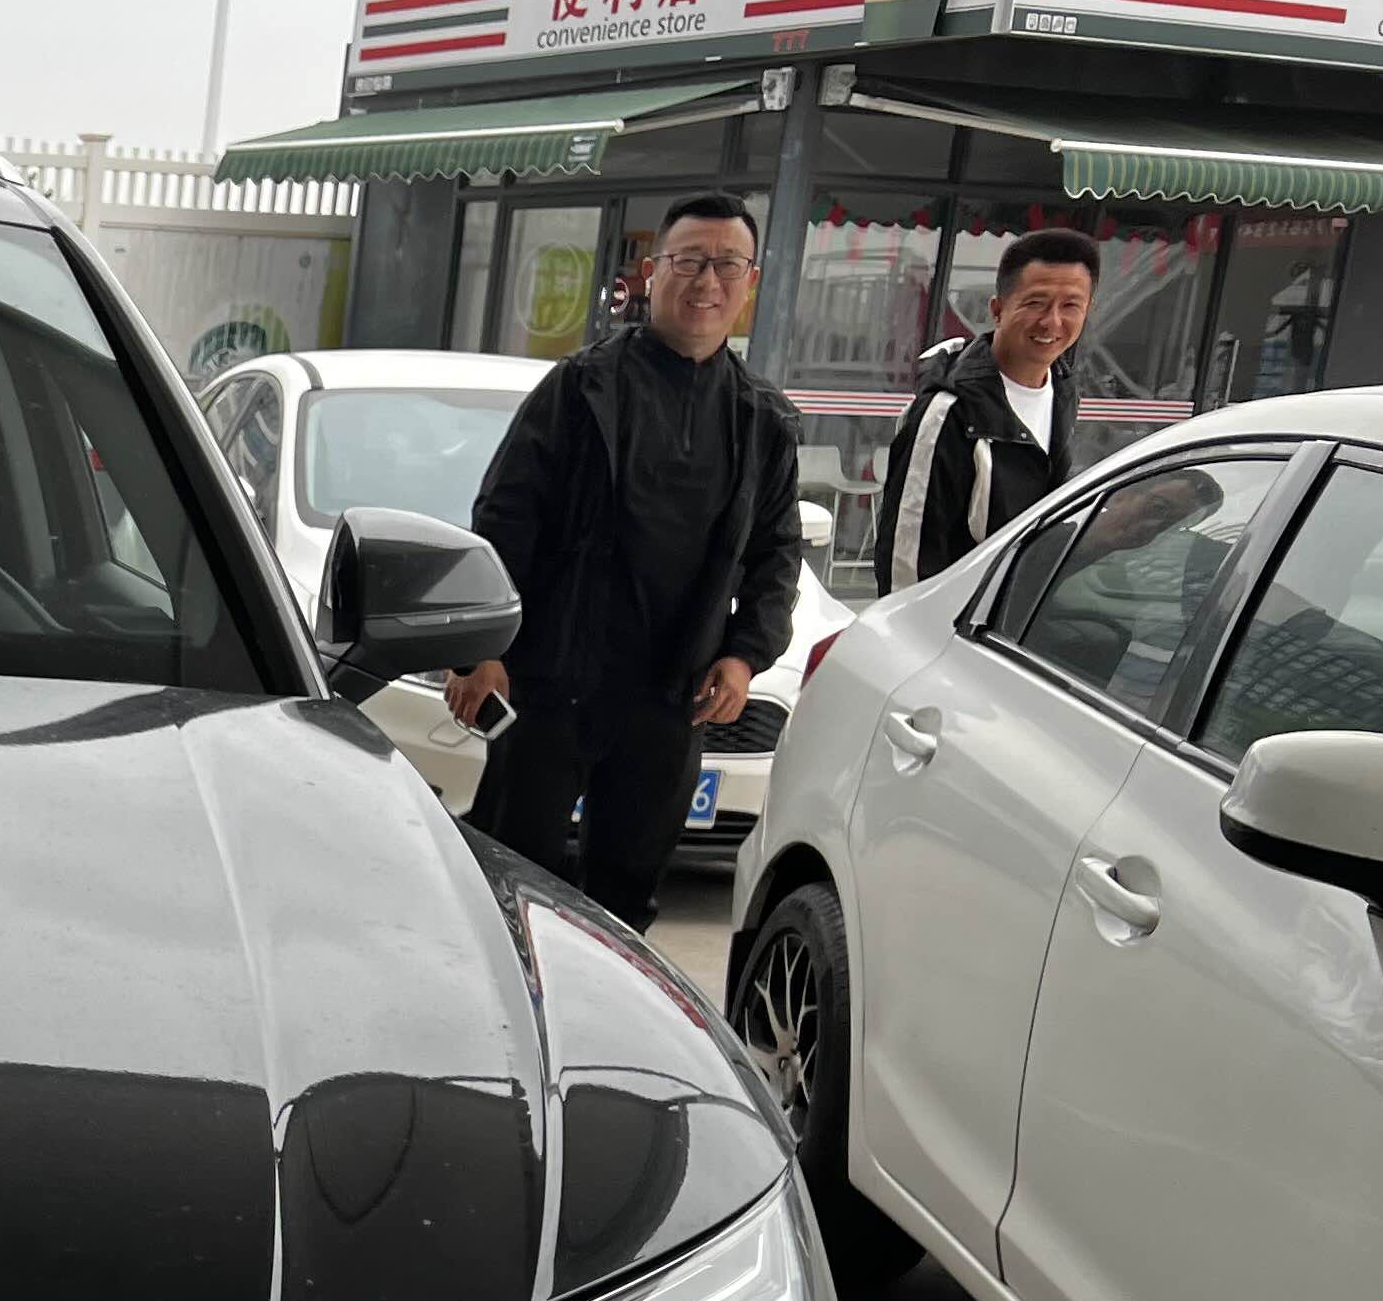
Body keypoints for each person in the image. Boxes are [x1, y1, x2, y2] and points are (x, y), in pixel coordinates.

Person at [447, 192, 805, 925]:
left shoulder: (761, 420)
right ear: (653, 270)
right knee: (509, 879)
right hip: (552, 685)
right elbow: (504, 519)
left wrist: (745, 656)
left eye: (727, 264)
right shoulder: (582, 387)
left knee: (627, 897)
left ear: (751, 281)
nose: (707, 281)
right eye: (689, 261)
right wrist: (479, 650)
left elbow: (777, 552)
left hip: (672, 698)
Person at [874, 227, 1099, 593]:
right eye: (1036, 303)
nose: (1052, 322)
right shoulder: (948, 412)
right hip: (958, 618)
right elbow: (906, 563)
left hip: (1021, 612)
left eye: (1070, 306)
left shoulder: (1063, 391)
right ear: (997, 309)